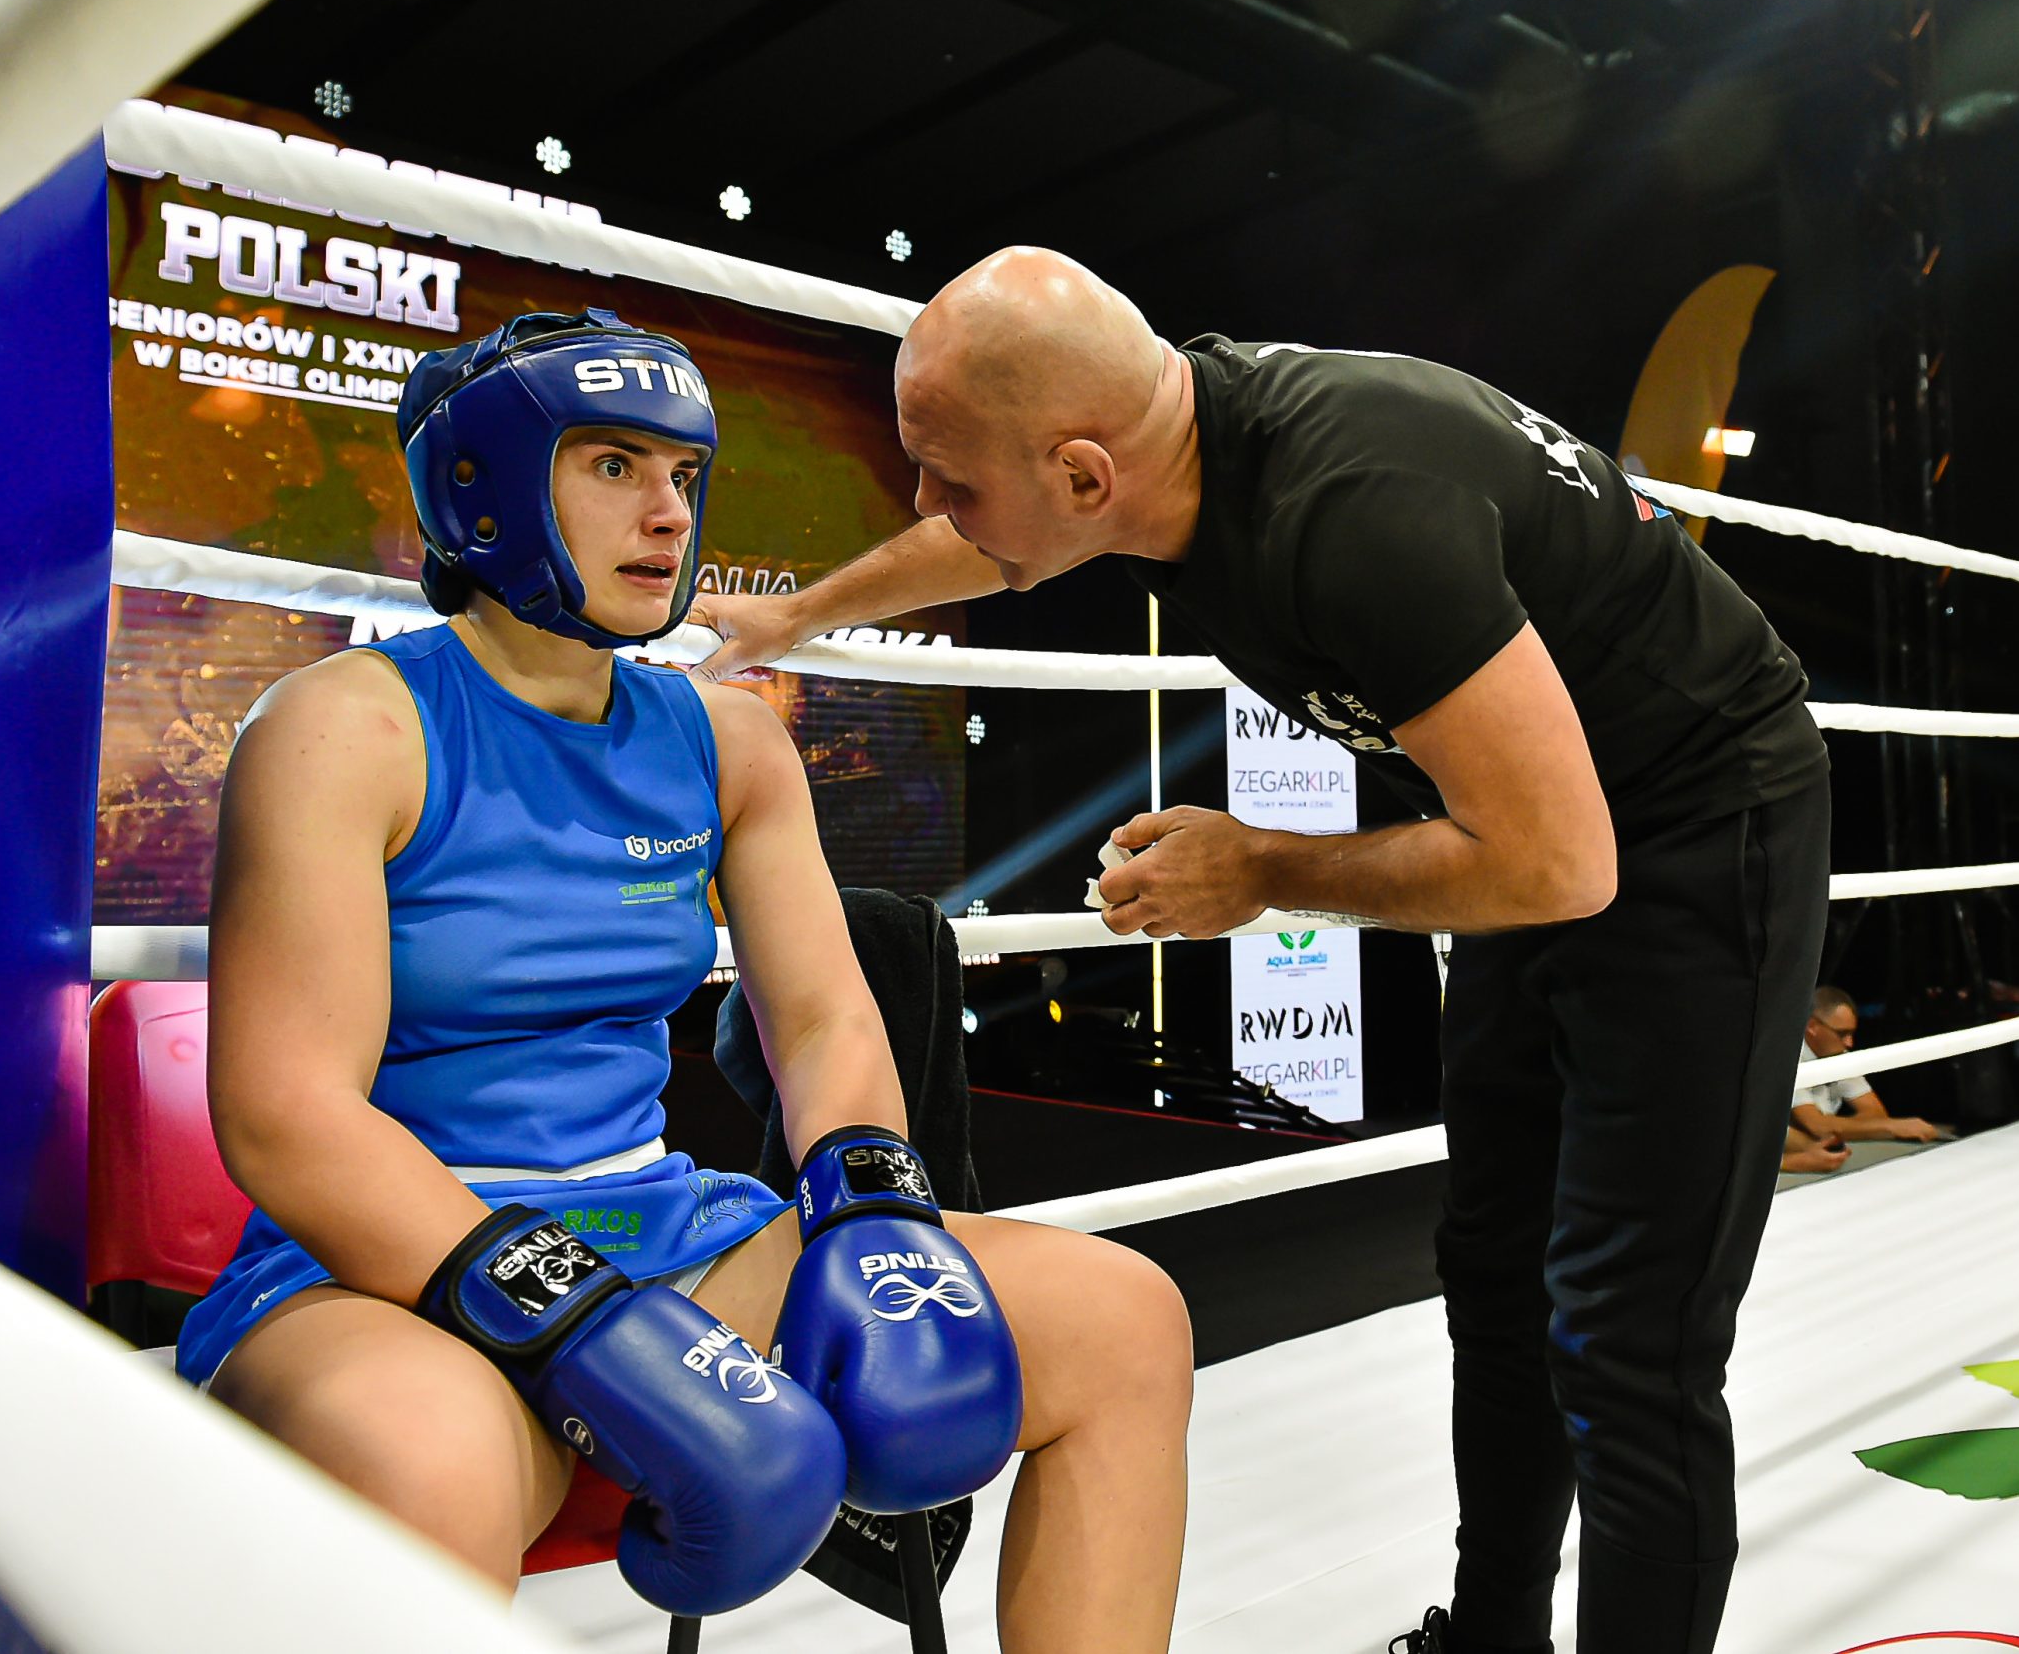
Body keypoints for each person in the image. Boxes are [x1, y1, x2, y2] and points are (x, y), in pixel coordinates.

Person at [688, 249, 1832, 1654]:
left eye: (949, 477)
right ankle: (1493, 1641)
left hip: (1698, 826)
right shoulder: (1164, 447)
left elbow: (1560, 864)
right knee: (1498, 1274)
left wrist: (1264, 869)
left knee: (1629, 1331)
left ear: (1086, 475)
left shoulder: (1349, 515)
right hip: (1530, 817)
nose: (930, 505)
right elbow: (994, 531)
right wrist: (798, 614)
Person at [177, 310, 1191, 1649]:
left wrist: (872, 1212)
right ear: (482, 486)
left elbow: (822, 1017)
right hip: (385, 1267)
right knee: (434, 1459)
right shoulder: (348, 725)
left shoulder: (725, 742)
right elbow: (286, 1112)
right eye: (613, 466)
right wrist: (563, 1312)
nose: (667, 514)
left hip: (662, 1237)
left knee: (1122, 1319)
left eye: (682, 473)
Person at [1792, 986, 1940, 1145]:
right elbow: (1817, 1126)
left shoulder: (1838, 1055)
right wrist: (1891, 1127)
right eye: (1842, 1033)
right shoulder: (1787, 1060)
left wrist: (1834, 1127)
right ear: (1812, 1026)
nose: (1849, 1043)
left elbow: (1876, 1115)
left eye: (1852, 1033)